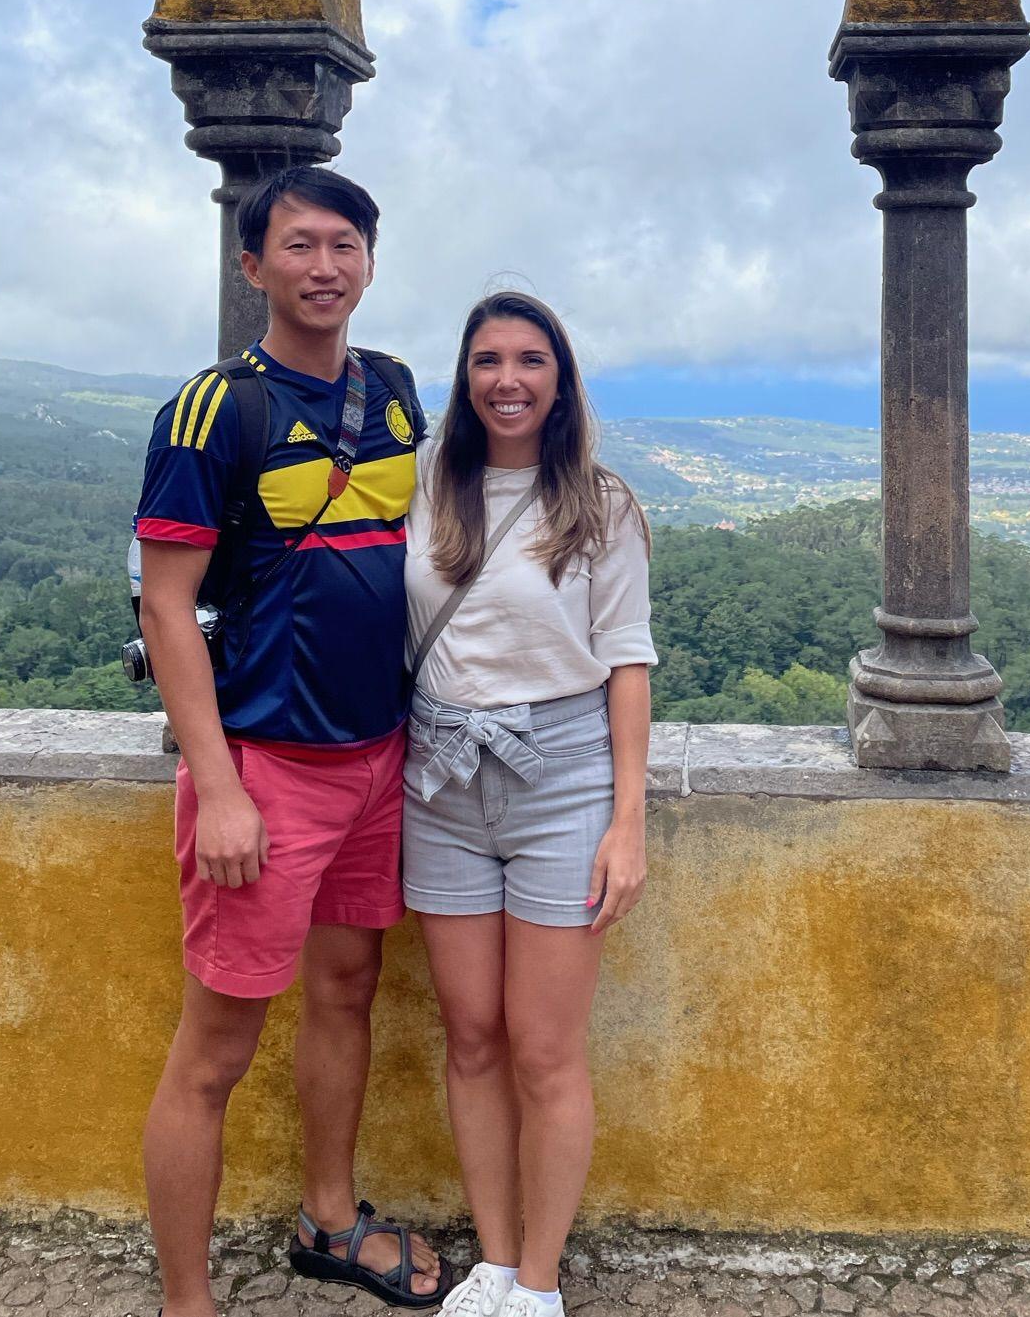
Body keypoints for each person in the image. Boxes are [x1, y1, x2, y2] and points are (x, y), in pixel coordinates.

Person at [134, 166, 445, 1317]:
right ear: (252, 263)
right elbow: (165, 605)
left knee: (348, 989)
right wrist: (216, 788)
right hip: (266, 768)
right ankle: (187, 1302)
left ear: (371, 261)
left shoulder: (397, 391)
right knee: (214, 1050)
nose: (326, 267)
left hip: (379, 760)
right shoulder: (215, 410)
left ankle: (327, 1219)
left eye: (346, 246)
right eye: (301, 246)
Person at [401, 293, 655, 1317]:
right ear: (464, 378)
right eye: (488, 360)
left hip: (562, 780)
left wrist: (627, 821)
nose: (508, 379)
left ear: (561, 380)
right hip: (439, 779)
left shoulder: (602, 506)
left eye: (530, 360)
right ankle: (494, 1262)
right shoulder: (426, 482)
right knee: (471, 1037)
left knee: (545, 1049)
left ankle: (539, 1282)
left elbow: (627, 663)